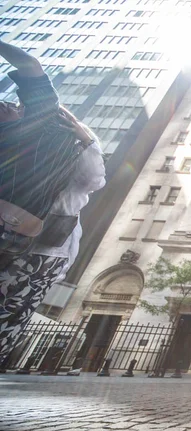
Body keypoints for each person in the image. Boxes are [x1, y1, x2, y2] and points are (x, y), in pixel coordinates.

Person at [0, 42, 91, 362]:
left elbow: (30, 67)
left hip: (22, 238)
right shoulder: (40, 129)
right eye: (5, 104)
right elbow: (30, 65)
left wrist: (87, 140)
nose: (8, 102)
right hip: (22, 237)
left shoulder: (42, 129)